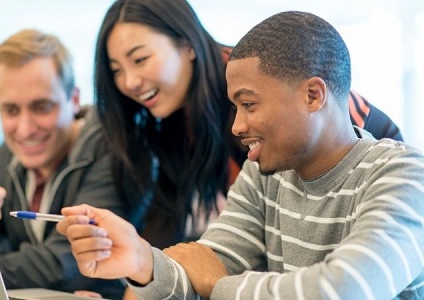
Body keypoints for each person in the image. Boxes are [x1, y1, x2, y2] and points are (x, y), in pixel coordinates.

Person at [56, 10, 424, 300]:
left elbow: (342, 291)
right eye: (234, 107)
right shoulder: (264, 174)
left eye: (248, 104)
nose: (236, 127)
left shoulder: (404, 176)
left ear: (313, 95)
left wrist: (218, 285)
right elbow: (201, 270)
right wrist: (139, 259)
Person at [91, 0, 404, 252]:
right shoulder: (165, 117)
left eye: (140, 59)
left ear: (187, 45)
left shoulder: (254, 86)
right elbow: (175, 225)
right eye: (116, 69)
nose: (129, 82)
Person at [0, 29, 137, 299]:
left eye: (42, 107)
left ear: (73, 100)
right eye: (11, 110)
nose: (25, 130)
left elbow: (65, 265)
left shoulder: (115, 151)